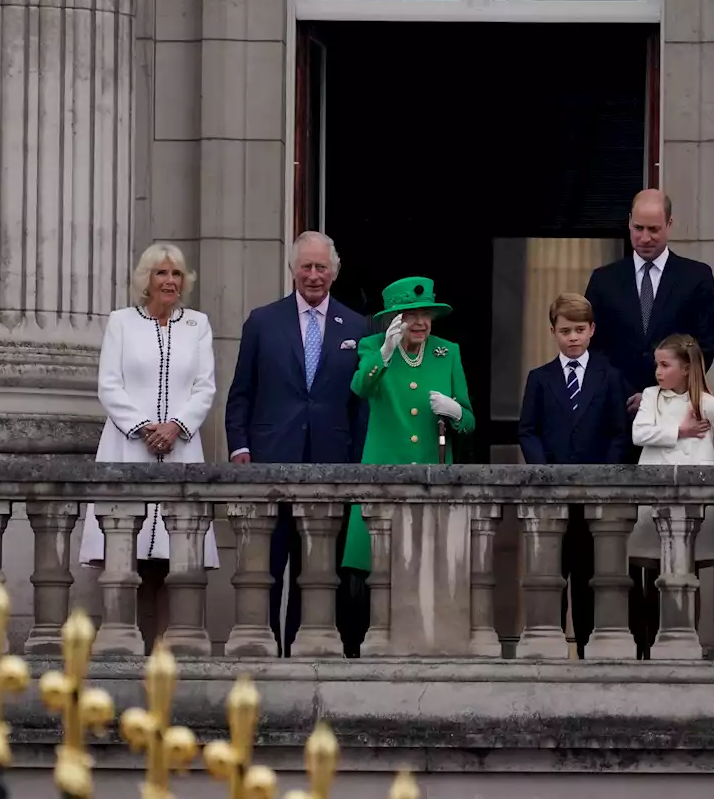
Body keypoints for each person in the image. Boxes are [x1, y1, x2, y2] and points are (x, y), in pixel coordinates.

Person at [224, 231, 369, 657]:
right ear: (292, 270)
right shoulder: (262, 321)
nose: (313, 275)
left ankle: (305, 653)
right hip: (271, 463)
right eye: (305, 266)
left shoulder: (357, 327)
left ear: (334, 272)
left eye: (320, 267)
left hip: (331, 467)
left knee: (317, 571)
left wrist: (358, 464)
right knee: (266, 569)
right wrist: (239, 447)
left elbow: (359, 405)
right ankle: (266, 652)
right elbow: (241, 393)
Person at [78, 242, 219, 649]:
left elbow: (204, 387)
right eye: (161, 273)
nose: (170, 281)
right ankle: (125, 645)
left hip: (181, 448)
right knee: (128, 549)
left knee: (175, 552)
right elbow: (109, 384)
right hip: (128, 448)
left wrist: (176, 426)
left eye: (176, 274)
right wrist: (143, 427)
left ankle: (168, 648)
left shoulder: (198, 324)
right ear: (147, 280)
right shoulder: (122, 323)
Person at [344, 277, 476, 598]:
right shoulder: (373, 347)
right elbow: (361, 387)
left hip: (432, 481)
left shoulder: (448, 353)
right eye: (410, 315)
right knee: (376, 577)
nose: (420, 323)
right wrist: (386, 353)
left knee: (427, 578)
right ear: (394, 319)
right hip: (382, 477)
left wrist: (456, 411)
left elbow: (470, 421)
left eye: (425, 315)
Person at [517, 292, 629, 658]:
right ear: (553, 332)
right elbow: (528, 430)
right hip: (551, 495)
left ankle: (585, 648)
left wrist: (605, 475)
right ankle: (548, 649)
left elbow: (618, 431)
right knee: (550, 575)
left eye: (580, 329)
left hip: (593, 495)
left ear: (592, 330)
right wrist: (544, 472)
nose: (573, 337)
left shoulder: (609, 376)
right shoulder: (539, 378)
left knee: (588, 575)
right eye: (565, 330)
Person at [629, 333, 714, 658]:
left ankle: (689, 640)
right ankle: (651, 644)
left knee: (689, 571)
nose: (658, 372)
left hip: (695, 500)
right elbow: (639, 434)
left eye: (665, 365)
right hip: (654, 496)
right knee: (652, 570)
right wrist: (680, 431)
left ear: (687, 368)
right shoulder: (651, 396)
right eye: (657, 365)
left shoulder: (707, 403)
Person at [585, 189, 714, 419]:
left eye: (654, 229)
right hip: (616, 414)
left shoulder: (697, 277)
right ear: (629, 223)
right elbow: (592, 347)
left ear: (669, 224)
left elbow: (702, 348)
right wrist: (622, 393)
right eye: (638, 228)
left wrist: (656, 396)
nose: (645, 238)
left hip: (675, 412)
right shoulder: (603, 280)